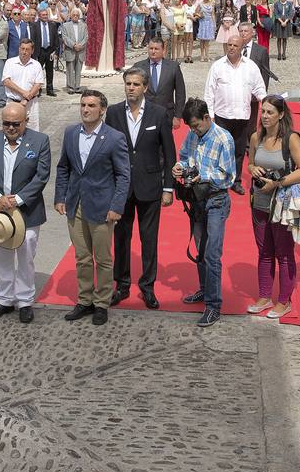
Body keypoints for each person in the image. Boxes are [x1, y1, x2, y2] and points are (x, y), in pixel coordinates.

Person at [54, 89, 130, 326]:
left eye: (91, 106)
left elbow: (123, 175)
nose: (86, 109)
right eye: (83, 105)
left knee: (103, 259)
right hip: (76, 203)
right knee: (82, 257)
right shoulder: (70, 133)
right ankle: (85, 299)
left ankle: (101, 303)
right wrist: (60, 197)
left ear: (102, 110)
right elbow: (63, 167)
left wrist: (117, 205)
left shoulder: (115, 138)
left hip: (102, 207)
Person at [104, 68, 175, 310]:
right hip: (121, 188)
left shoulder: (159, 113)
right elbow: (107, 151)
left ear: (145, 87)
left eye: (136, 84)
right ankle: (121, 284)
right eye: (128, 84)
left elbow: (169, 152)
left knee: (149, 239)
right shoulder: (113, 113)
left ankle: (148, 287)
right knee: (121, 237)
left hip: (150, 186)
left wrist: (168, 188)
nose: (131, 88)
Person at [0, 102, 52, 323]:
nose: (10, 128)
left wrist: (17, 200)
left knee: (26, 256)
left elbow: (41, 176)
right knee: (0, 255)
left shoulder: (40, 141)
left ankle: (25, 300)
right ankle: (4, 299)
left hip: (27, 211)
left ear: (25, 122)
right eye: (6, 123)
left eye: (15, 124)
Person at [174, 98, 240, 328]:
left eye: (196, 126)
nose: (193, 131)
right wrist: (179, 168)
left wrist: (204, 175)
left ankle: (213, 306)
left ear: (206, 118)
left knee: (212, 254)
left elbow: (229, 177)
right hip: (197, 200)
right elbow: (184, 156)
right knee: (201, 251)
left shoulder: (223, 138)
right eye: (190, 127)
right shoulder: (193, 134)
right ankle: (204, 290)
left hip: (217, 200)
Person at [246, 95, 300, 319]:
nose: (264, 116)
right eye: (263, 111)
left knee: (284, 254)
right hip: (259, 203)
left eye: (269, 112)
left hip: (282, 206)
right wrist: (253, 169)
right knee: (264, 252)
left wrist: (277, 183)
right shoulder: (256, 137)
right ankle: (264, 296)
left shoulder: (290, 139)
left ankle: (284, 301)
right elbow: (251, 163)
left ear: (281, 115)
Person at [204, 34, 267, 184]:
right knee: (220, 150)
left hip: (242, 117)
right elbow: (209, 92)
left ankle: (236, 180)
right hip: (221, 117)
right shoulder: (217, 66)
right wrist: (210, 115)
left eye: (235, 46)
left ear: (241, 48)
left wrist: (266, 104)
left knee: (239, 152)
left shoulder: (251, 66)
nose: (231, 48)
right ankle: (218, 178)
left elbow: (259, 89)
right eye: (229, 45)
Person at [2, 38, 45, 132]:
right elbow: (6, 81)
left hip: (31, 104)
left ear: (32, 51)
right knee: (12, 131)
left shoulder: (36, 65)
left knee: (32, 131)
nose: (24, 52)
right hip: (13, 102)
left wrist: (26, 99)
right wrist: (23, 92)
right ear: (19, 49)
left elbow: (38, 84)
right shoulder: (10, 62)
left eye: (27, 49)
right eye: (22, 49)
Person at [138, 37, 186, 117]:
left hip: (167, 114)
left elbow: (180, 94)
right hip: (144, 114)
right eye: (151, 48)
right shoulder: (138, 67)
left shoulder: (173, 67)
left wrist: (178, 116)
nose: (153, 51)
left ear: (163, 50)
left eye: (156, 49)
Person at [59, 8, 88, 95]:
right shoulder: (65, 25)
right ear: (71, 16)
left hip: (81, 50)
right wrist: (73, 45)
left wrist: (80, 45)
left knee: (78, 69)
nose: (75, 16)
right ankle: (70, 87)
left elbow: (86, 37)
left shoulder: (84, 25)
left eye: (77, 15)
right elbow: (64, 37)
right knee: (70, 69)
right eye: (74, 15)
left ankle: (77, 86)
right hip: (70, 50)